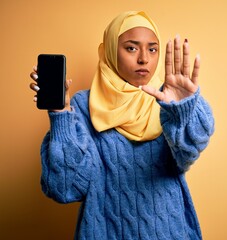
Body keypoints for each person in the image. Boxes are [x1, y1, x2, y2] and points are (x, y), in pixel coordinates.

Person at [29, 11, 214, 240]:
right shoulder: (83, 106)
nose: (144, 59)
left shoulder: (168, 99)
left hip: (169, 230)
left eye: (152, 49)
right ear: (109, 51)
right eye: (131, 48)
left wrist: (183, 109)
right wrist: (61, 116)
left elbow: (189, 152)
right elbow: (65, 188)